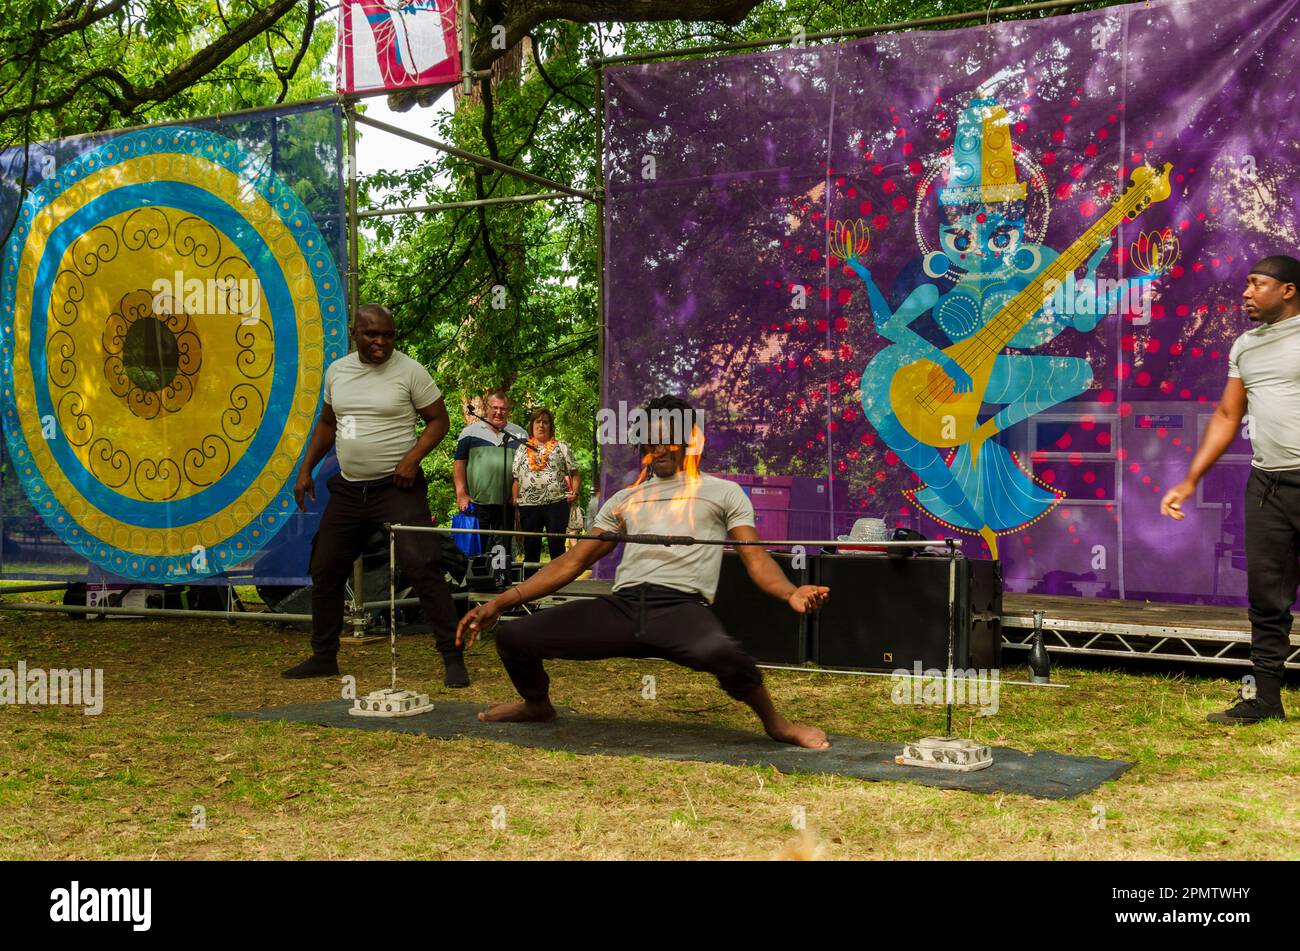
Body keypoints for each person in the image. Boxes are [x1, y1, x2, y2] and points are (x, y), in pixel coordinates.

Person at [456, 395, 832, 749]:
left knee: (725, 653)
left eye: (669, 438)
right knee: (514, 636)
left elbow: (756, 557)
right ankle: (537, 705)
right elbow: (572, 562)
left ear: (690, 441)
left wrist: (790, 592)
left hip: (679, 609)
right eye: (651, 439)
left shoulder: (723, 492)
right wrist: (500, 603)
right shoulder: (625, 499)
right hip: (622, 608)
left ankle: (776, 724)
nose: (659, 447)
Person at [284, 304, 468, 688]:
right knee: (325, 566)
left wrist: (412, 459)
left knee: (423, 564)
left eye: (388, 334)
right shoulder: (338, 373)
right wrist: (305, 469)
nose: (381, 342)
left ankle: (452, 658)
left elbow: (439, 420)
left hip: (396, 487)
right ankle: (323, 656)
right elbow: (328, 423)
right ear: (355, 333)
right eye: (372, 335)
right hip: (350, 489)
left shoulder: (410, 371)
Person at [1160, 255, 1300, 723]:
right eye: (1247, 283)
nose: (1246, 292)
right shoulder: (1245, 345)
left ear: (1288, 290)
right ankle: (1265, 701)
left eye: (1257, 284)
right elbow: (1226, 415)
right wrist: (1189, 479)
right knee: (1267, 596)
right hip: (1269, 486)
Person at [453, 390, 529, 564]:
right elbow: (459, 464)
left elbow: (526, 468)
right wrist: (461, 494)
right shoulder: (470, 432)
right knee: (477, 548)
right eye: (494, 408)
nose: (498, 412)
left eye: (503, 408)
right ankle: (475, 584)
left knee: (502, 550)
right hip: (476, 502)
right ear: (486, 408)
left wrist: (517, 494)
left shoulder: (520, 434)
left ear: (508, 410)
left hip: (507, 503)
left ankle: (501, 583)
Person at [512, 407, 579, 574]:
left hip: (556, 504)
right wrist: (514, 499)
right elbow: (515, 478)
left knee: (557, 549)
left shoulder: (561, 447)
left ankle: (558, 586)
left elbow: (575, 473)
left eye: (545, 422)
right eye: (538, 421)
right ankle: (529, 589)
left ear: (550, 426)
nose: (541, 425)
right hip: (528, 505)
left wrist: (575, 493)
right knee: (531, 549)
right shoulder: (522, 448)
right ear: (532, 425)